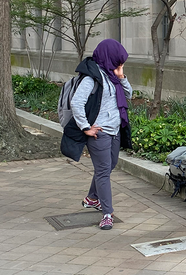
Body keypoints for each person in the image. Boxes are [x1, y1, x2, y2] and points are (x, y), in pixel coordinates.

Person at [60, 39, 133, 230]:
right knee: (103, 171)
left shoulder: (112, 74)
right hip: (98, 133)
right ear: (109, 57)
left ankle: (92, 198)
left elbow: (129, 95)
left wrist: (121, 76)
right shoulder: (91, 78)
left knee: (110, 165)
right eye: (118, 61)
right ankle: (107, 214)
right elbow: (77, 103)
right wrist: (86, 127)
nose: (120, 64)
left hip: (115, 129)